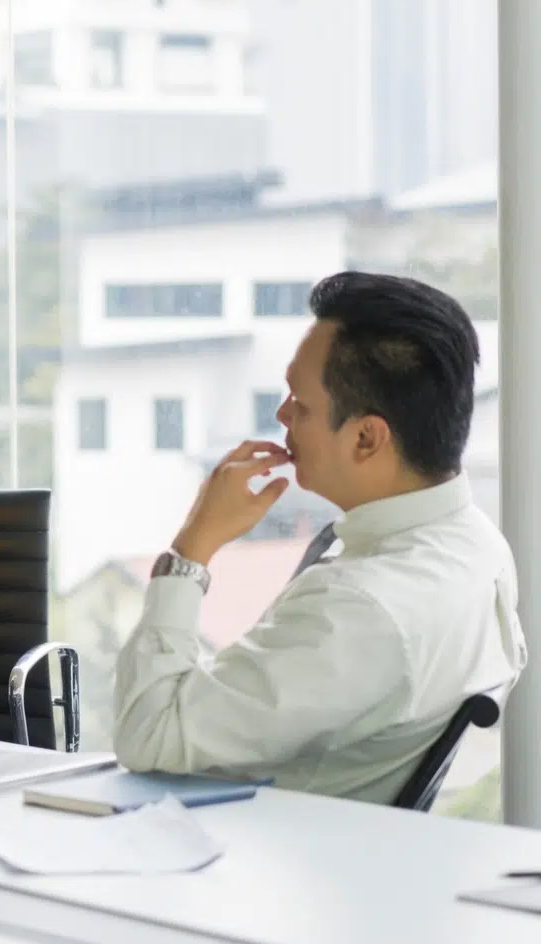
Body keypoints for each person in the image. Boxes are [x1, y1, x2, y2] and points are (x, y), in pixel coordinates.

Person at [115, 271, 527, 803]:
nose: (281, 415)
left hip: (255, 858)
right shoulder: (477, 545)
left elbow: (148, 735)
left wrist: (192, 549)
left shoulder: (357, 608)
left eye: (300, 404)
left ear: (365, 436)